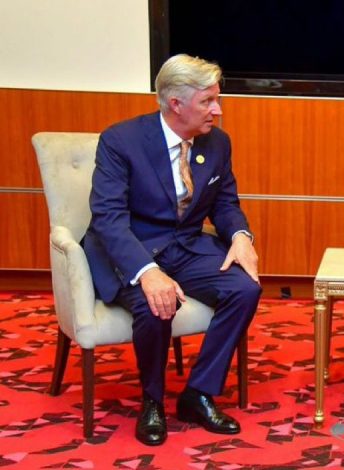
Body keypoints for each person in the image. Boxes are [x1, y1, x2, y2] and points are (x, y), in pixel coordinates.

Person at [82, 54, 262, 446]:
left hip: (186, 246)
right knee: (155, 304)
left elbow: (225, 203)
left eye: (217, 99)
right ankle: (152, 400)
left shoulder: (217, 142)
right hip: (132, 247)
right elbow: (108, 219)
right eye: (207, 101)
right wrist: (147, 272)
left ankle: (198, 393)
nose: (217, 109)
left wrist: (240, 236)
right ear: (176, 104)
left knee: (244, 289)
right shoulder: (121, 141)